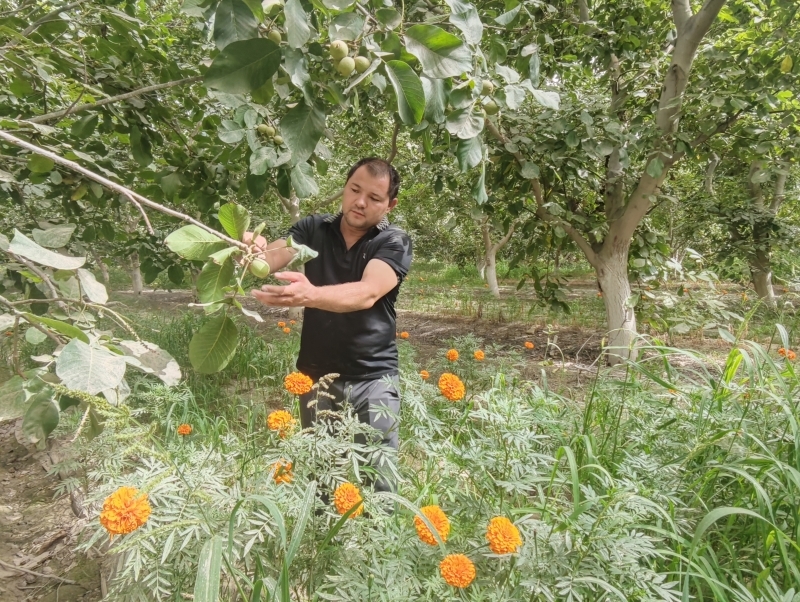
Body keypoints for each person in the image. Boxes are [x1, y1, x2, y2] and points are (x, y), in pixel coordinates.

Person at [245, 157, 412, 493]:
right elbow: (270, 259)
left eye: (374, 198)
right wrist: (249, 250)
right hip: (316, 379)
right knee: (320, 477)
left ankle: (374, 544)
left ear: (390, 204)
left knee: (378, 483)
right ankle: (321, 543)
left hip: (373, 379)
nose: (360, 202)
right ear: (345, 187)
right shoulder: (313, 230)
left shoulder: (394, 241)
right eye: (354, 190)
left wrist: (310, 294)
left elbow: (367, 293)